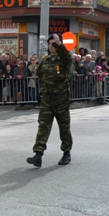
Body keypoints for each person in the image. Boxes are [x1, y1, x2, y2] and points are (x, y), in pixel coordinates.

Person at [27, 33, 72, 168]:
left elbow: (66, 56)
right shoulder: (45, 61)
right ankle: (38, 155)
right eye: (50, 44)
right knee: (43, 127)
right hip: (47, 100)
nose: (51, 46)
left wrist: (60, 44)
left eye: (54, 44)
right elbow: (41, 77)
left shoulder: (64, 59)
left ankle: (66, 152)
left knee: (64, 127)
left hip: (61, 100)